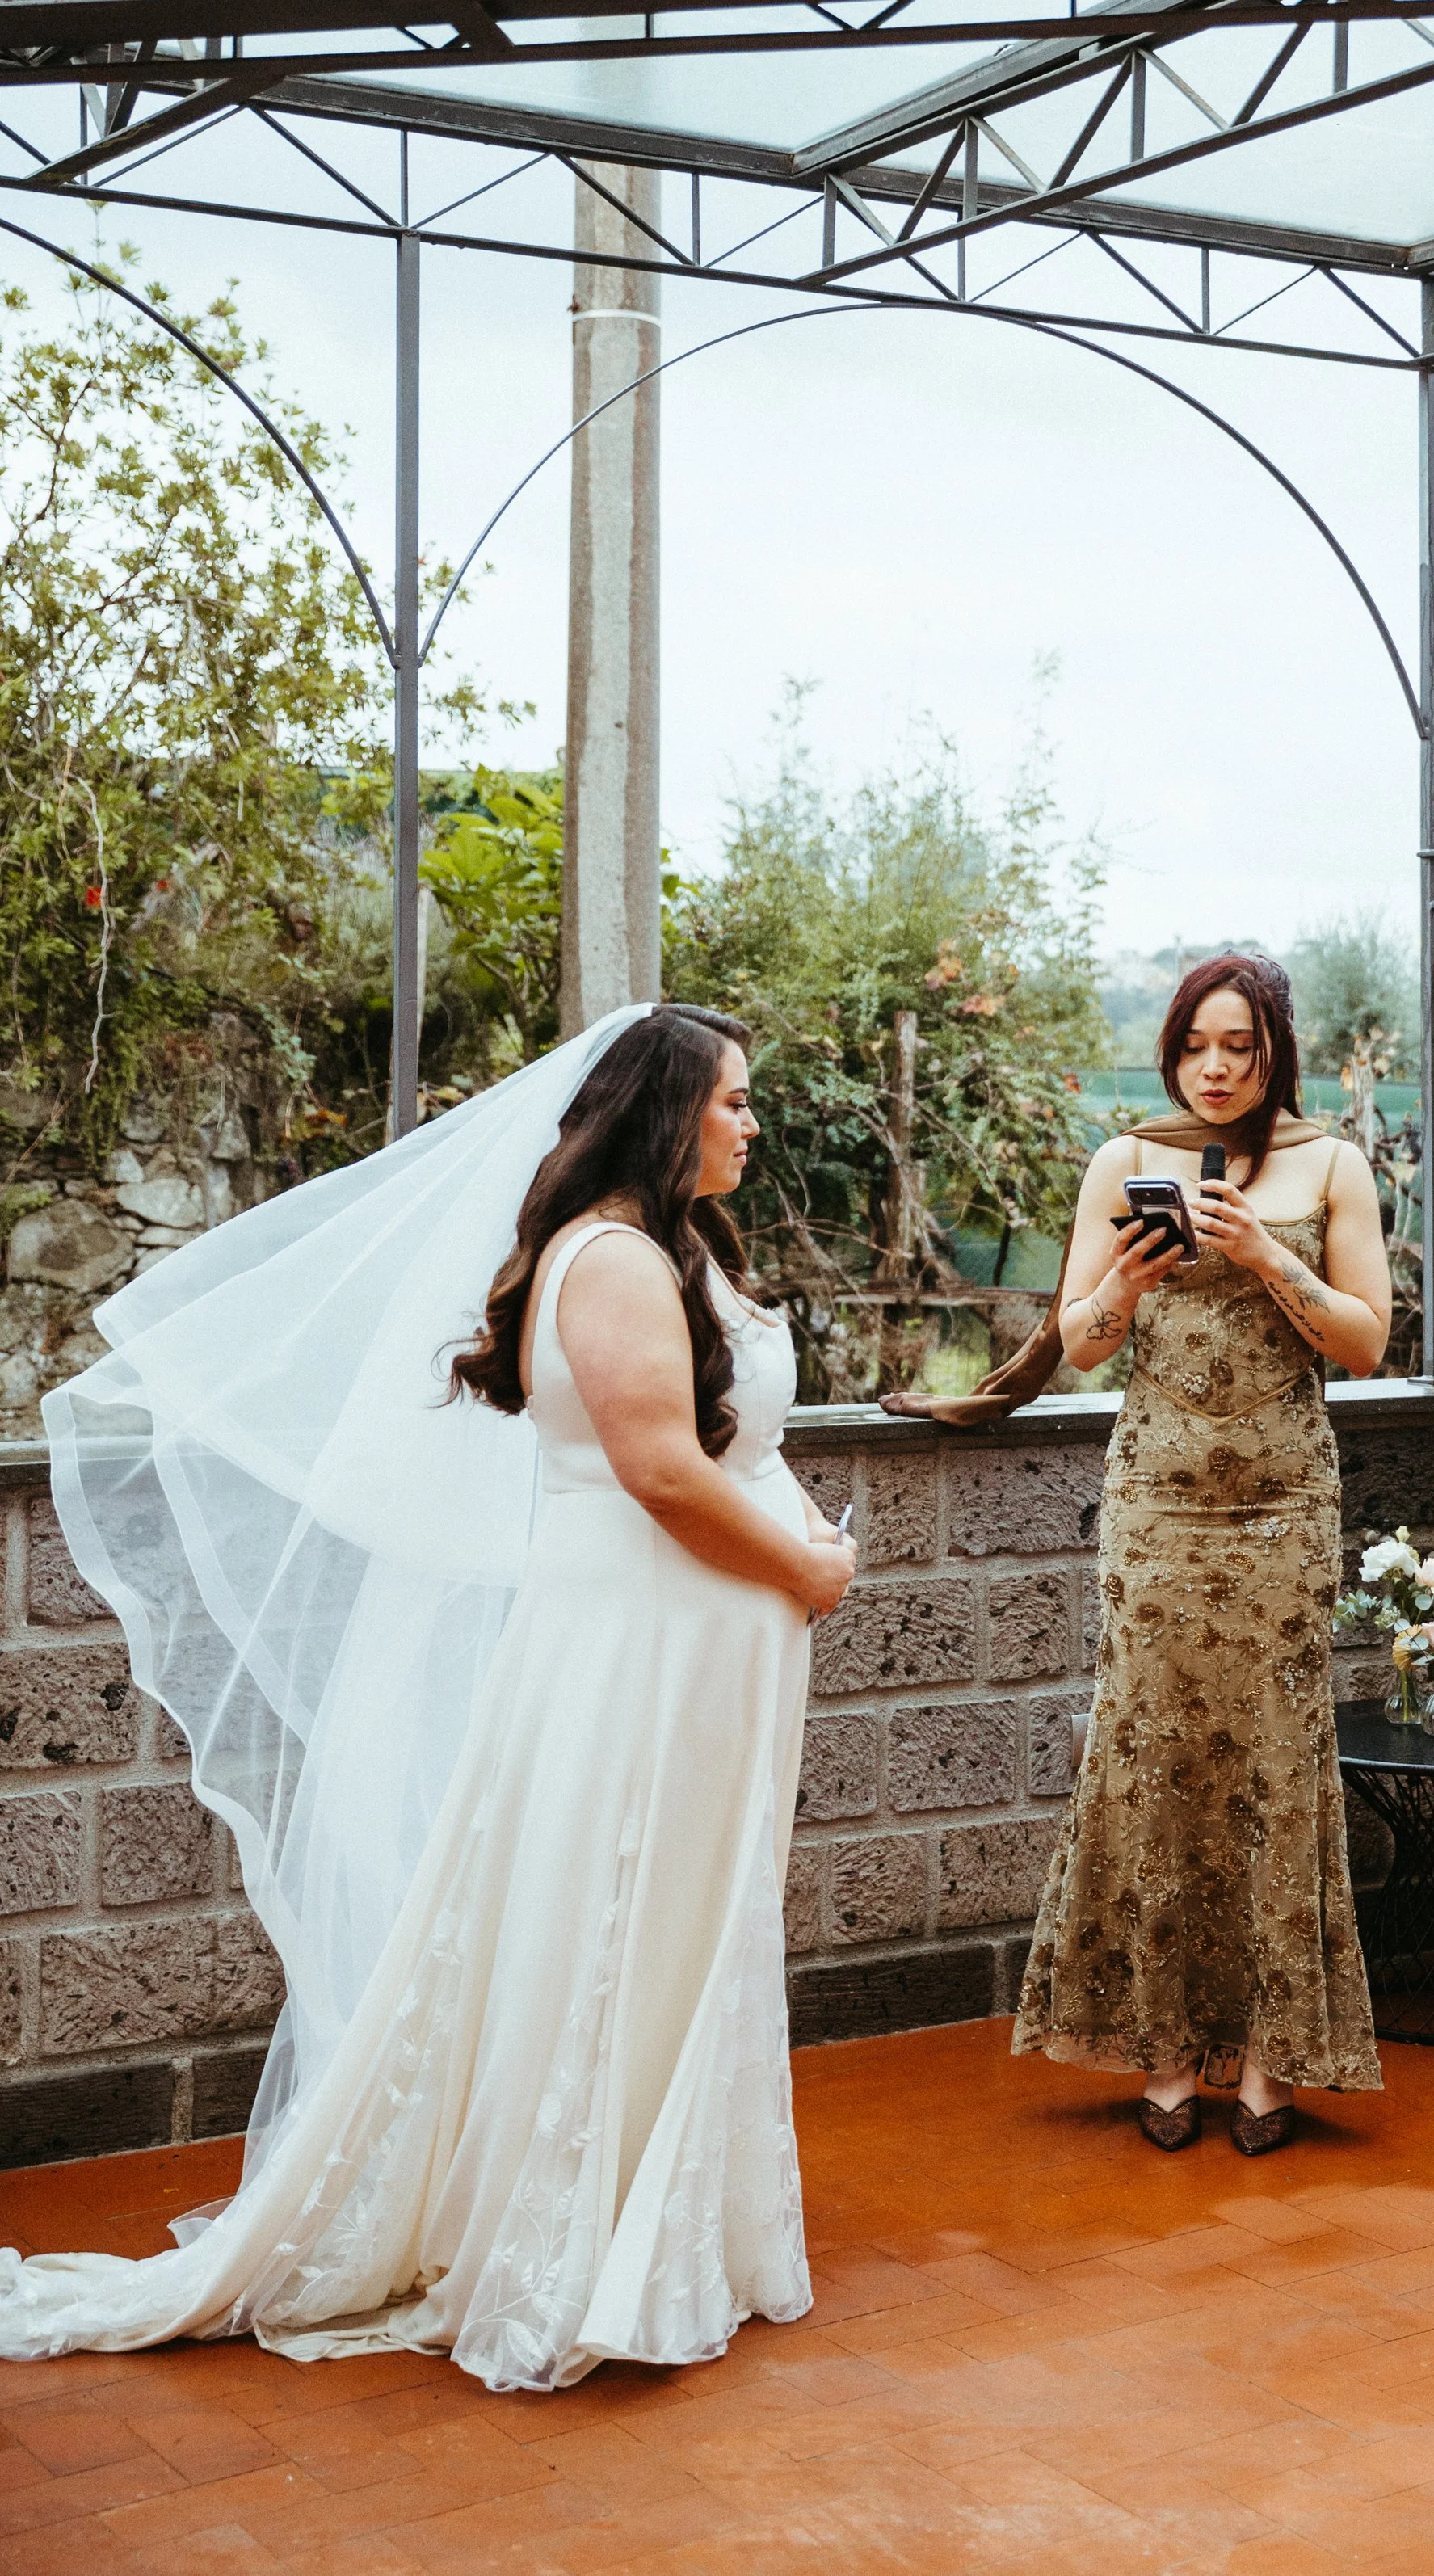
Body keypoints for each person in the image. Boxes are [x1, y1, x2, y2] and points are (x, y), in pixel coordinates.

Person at [0, 1004, 856, 2393]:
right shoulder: (618, 1261)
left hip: (690, 1643)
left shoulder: (668, 1247)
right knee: (617, 1907)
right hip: (639, 1642)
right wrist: (809, 1571)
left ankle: (652, 2205)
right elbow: (661, 1470)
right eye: (736, 1101)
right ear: (664, 1110)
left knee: (673, 1918)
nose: (751, 1124)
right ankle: (578, 2243)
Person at [1012, 953, 1391, 2152]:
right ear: (1173, 1052)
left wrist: (1270, 1257)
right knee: (1155, 1756)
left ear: (1275, 1049)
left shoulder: (1333, 1165)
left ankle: (1276, 2057)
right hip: (1159, 1509)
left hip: (1282, 1509)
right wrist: (1128, 1274)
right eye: (1196, 1046)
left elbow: (1370, 1344)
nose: (1217, 1067)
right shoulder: (1122, 1164)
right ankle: (1168, 2048)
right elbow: (1079, 1344)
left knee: (1280, 1765)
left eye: (1240, 1045)